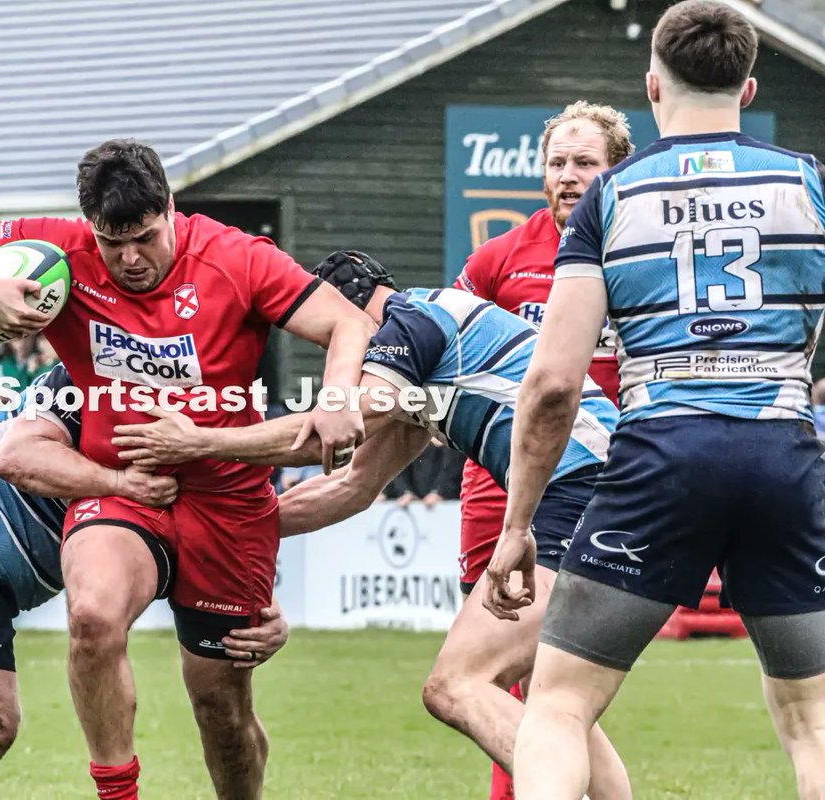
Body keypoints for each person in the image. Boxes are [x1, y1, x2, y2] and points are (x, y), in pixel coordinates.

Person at [0, 138, 374, 799]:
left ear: (170, 210)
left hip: (226, 503)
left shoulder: (237, 259)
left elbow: (346, 323)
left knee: (221, 708)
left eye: (145, 239)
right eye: (111, 241)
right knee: (91, 616)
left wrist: (340, 395)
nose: (128, 259)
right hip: (126, 487)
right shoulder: (63, 250)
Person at [111, 253, 631, 797]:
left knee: (457, 684)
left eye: (329, 334)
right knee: (560, 704)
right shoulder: (424, 362)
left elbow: (326, 437)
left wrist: (198, 441)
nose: (332, 351)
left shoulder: (412, 323)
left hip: (580, 489)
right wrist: (227, 531)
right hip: (603, 488)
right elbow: (350, 488)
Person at [482, 3, 825, 798]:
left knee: (559, 709)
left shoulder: (613, 200)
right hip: (782, 454)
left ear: (651, 86)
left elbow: (553, 384)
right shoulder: (808, 183)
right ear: (747, 88)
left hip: (661, 457)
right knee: (812, 722)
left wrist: (519, 526)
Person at [0, 365, 291, 800]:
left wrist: (257, 604)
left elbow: (222, 523)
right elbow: (15, 457)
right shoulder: (95, 370)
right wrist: (120, 482)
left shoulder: (208, 410)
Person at [452, 100, 634, 800]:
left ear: (617, 169)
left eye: (585, 162)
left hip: (602, 491)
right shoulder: (498, 259)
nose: (567, 175)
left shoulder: (638, 255)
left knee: (553, 680)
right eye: (556, 162)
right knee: (509, 674)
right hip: (502, 495)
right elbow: (455, 357)